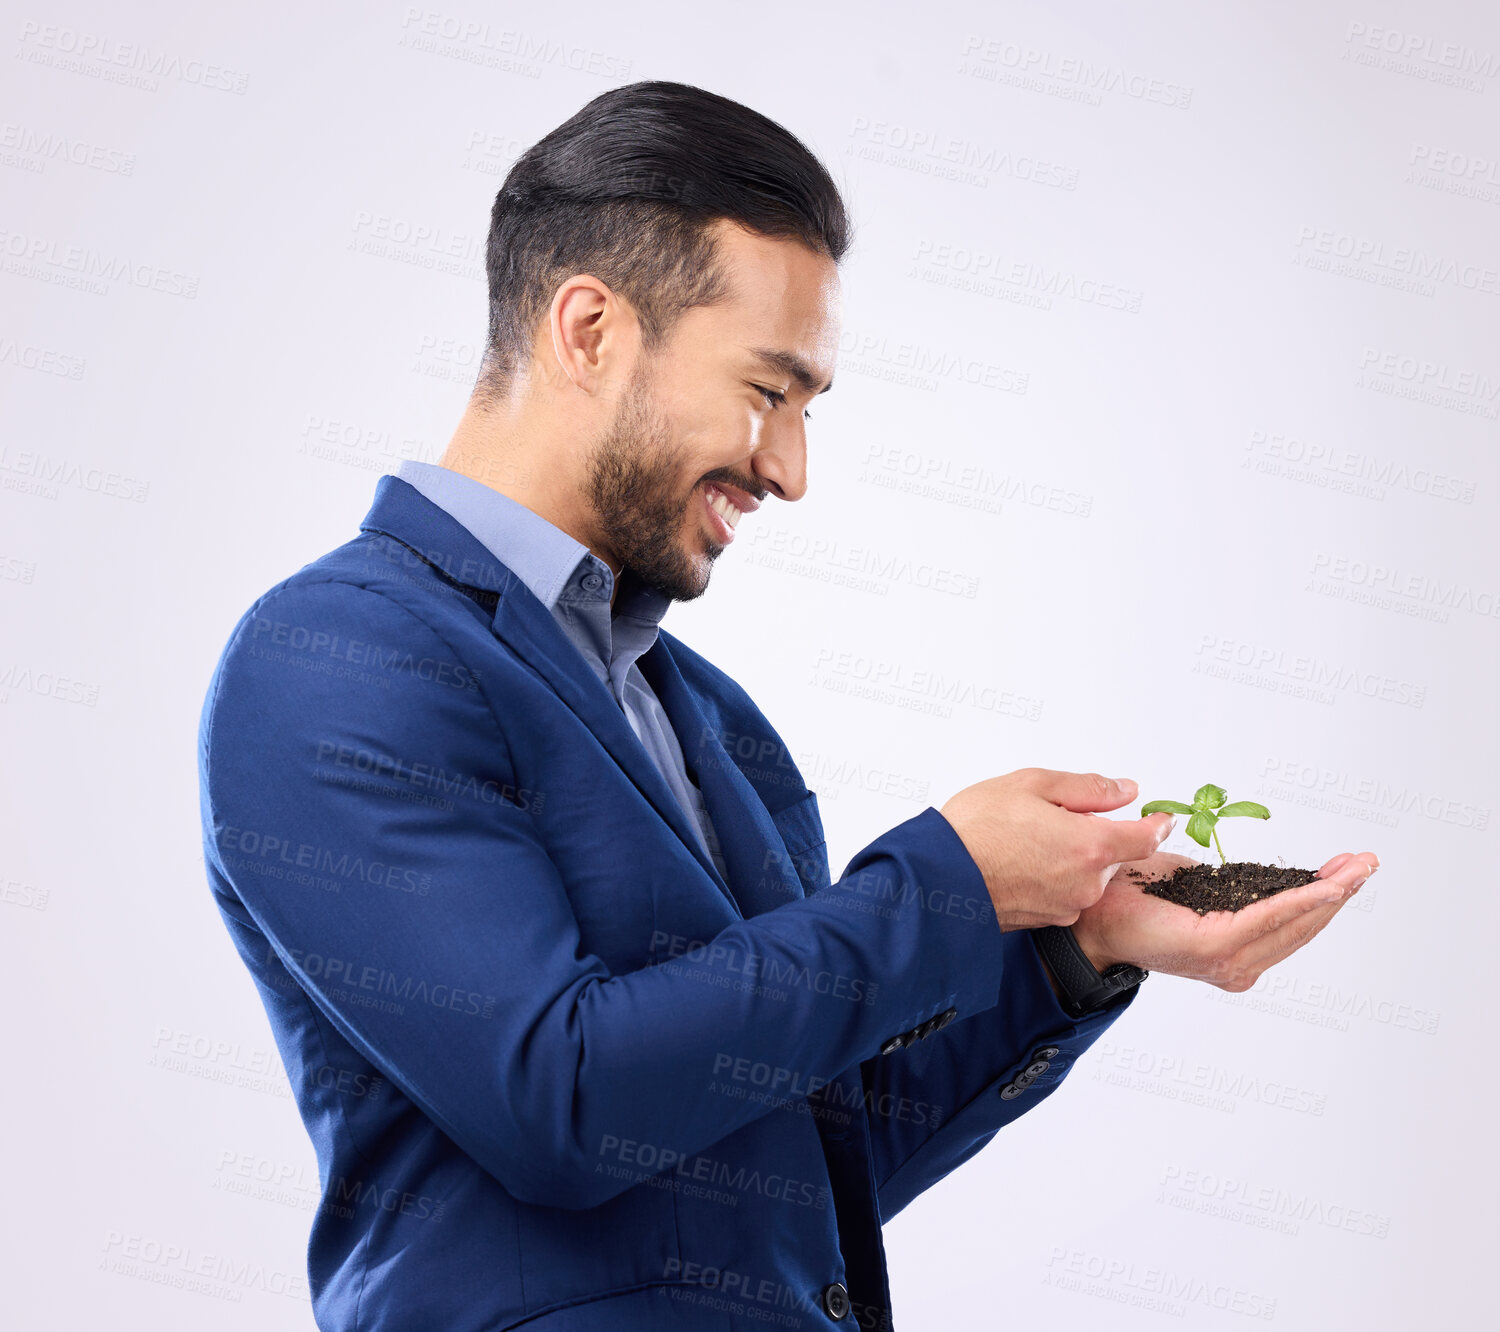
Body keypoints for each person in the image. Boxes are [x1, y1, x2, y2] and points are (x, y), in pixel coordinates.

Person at [197, 79, 1378, 1332]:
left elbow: (797, 1150)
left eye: (809, 411)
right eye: (768, 391)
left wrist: (1072, 951)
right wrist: (945, 888)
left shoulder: (708, 717)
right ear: (589, 331)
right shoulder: (338, 655)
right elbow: (559, 1099)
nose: (790, 469)